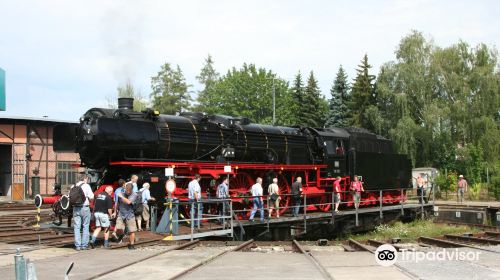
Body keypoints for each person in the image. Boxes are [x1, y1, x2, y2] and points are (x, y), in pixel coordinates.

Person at [72, 174, 94, 251]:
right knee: (85, 226)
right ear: (85, 179)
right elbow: (91, 197)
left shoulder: (73, 186)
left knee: (77, 227)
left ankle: (77, 246)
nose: (87, 180)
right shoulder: (86, 186)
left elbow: (70, 197)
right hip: (85, 208)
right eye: (87, 179)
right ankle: (84, 245)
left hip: (75, 208)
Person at [116, 182, 138, 250]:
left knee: (132, 231)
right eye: (126, 190)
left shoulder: (134, 195)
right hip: (121, 213)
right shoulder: (122, 193)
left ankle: (132, 244)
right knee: (118, 228)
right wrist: (115, 211)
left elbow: (128, 202)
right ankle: (122, 234)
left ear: (131, 190)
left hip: (130, 214)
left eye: (129, 190)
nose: (127, 192)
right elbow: (117, 203)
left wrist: (121, 196)